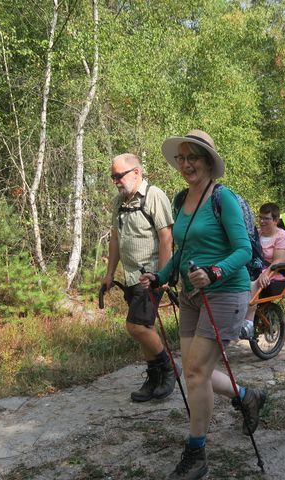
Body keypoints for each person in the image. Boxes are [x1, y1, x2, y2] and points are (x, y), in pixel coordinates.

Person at [139, 130, 266, 480]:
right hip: (193, 296)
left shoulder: (222, 199)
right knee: (199, 372)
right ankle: (247, 396)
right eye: (181, 158)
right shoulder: (183, 200)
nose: (185, 164)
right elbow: (182, 251)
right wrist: (160, 276)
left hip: (225, 293)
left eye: (192, 157)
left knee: (194, 373)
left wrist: (214, 270)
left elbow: (243, 250)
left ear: (208, 161)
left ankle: (197, 455)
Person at [100, 153, 176, 403]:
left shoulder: (154, 195)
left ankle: (168, 369)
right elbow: (116, 238)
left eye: (118, 176)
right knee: (145, 328)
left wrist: (162, 276)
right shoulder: (118, 202)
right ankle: (153, 379)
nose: (116, 181)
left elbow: (166, 237)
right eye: (113, 177)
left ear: (136, 172)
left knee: (135, 326)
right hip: (131, 276)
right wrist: (110, 273)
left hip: (150, 276)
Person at [241, 202, 285, 338]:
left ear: (275, 220)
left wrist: (265, 273)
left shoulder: (281, 236)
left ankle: (248, 323)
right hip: (257, 268)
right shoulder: (256, 234)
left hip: (275, 272)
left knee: (254, 283)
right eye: (260, 218)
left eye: (266, 218)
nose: (262, 221)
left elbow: (278, 261)